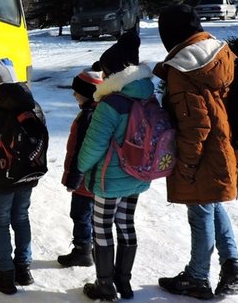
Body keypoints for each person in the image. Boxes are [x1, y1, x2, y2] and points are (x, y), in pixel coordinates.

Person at [153, 4, 238, 300]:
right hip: (226, 145)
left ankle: (197, 276)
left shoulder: (184, 68)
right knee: (212, 204)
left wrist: (187, 165)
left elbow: (195, 126)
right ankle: (233, 266)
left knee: (200, 211)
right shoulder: (220, 52)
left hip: (204, 152)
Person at [77, 31, 153, 301]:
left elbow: (93, 145)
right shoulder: (147, 96)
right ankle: (124, 282)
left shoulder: (111, 103)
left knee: (102, 227)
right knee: (126, 223)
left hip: (110, 179)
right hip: (139, 174)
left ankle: (105, 284)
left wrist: (81, 167)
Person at [0, 58, 46, 295]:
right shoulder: (33, 104)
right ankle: (23, 269)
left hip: (0, 179)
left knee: (1, 224)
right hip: (27, 174)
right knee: (22, 218)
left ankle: (6, 275)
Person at [57, 63, 104, 268]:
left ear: (88, 94)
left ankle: (82, 250)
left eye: (77, 93)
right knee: (92, 214)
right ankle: (91, 248)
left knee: (80, 214)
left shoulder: (88, 116)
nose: (75, 96)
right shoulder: (99, 111)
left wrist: (73, 179)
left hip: (85, 178)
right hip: (96, 177)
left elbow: (79, 151)